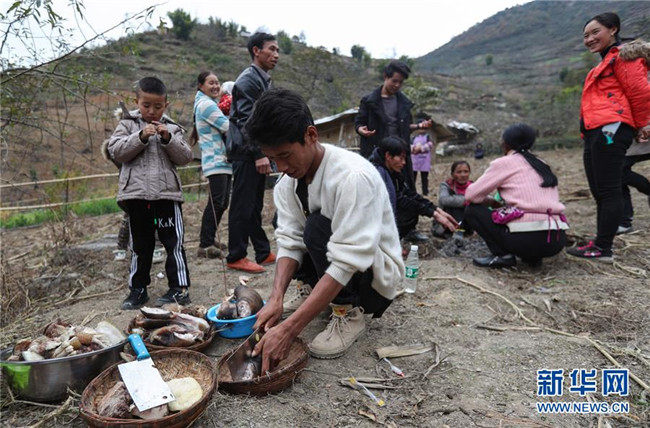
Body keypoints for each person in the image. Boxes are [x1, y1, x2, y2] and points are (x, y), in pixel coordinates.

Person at [246, 88, 404, 366]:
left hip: (373, 281)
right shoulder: (287, 182)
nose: (281, 166)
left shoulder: (352, 177)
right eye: (273, 159)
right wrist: (275, 298)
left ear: (311, 135)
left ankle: (347, 311)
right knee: (286, 218)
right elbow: (289, 239)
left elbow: (347, 259)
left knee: (317, 226)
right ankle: (311, 288)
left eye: (285, 155)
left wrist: (290, 328)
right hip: (336, 263)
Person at [567, 13, 650, 262]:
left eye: (595, 32)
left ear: (613, 29)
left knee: (609, 190)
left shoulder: (624, 56)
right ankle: (600, 242)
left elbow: (640, 91)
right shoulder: (605, 62)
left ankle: (603, 248)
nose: (589, 39)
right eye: (586, 36)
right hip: (595, 129)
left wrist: (644, 124)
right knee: (600, 190)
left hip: (610, 128)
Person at [108, 76, 193, 309]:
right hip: (136, 197)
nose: (152, 111)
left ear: (166, 105)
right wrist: (140, 137)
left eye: (158, 106)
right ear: (137, 102)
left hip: (167, 197)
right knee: (140, 246)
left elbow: (185, 156)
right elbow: (116, 151)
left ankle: (179, 289)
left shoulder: (172, 128)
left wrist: (168, 138)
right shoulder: (127, 125)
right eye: (146, 105)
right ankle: (137, 290)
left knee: (173, 242)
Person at [464, 124, 569, 269]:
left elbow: (471, 195)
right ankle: (533, 258)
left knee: (473, 210)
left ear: (505, 144)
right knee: (525, 216)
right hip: (556, 240)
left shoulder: (504, 163)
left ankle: (503, 256)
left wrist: (492, 202)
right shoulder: (542, 164)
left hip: (524, 239)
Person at [226, 32, 279, 274]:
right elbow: (245, 120)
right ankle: (236, 255)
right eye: (271, 49)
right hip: (245, 151)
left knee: (254, 204)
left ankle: (262, 251)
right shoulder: (248, 80)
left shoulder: (263, 80)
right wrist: (258, 153)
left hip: (255, 150)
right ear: (256, 51)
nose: (276, 55)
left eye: (277, 50)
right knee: (242, 205)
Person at [355, 60, 432, 189]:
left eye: (400, 82)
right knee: (376, 189)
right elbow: (359, 122)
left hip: (398, 156)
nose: (397, 85)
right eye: (394, 81)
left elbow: (404, 127)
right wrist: (360, 130)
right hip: (377, 154)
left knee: (402, 190)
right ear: (386, 76)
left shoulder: (404, 103)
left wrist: (419, 126)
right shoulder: (369, 101)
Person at [369, 136, 458, 242]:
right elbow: (399, 199)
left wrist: (435, 210)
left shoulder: (393, 171)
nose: (404, 163)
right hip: (373, 219)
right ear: (388, 156)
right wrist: (433, 214)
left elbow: (407, 193)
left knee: (413, 208)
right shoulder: (377, 173)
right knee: (408, 210)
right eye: (401, 158)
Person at [192, 71, 231, 259]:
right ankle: (205, 244)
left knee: (222, 202)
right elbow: (228, 126)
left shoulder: (209, 103)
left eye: (217, 82)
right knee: (217, 202)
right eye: (211, 83)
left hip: (221, 160)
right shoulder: (206, 105)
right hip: (216, 160)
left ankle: (209, 238)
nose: (216, 86)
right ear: (201, 86)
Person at [618, 135, 650, 234]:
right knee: (617, 172)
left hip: (641, 135)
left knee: (618, 170)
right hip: (628, 138)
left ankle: (624, 221)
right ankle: (624, 221)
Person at [434, 160, 473, 237]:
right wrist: (468, 200)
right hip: (447, 224)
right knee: (456, 207)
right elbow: (444, 200)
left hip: (467, 223)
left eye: (466, 172)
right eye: (459, 172)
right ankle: (458, 233)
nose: (463, 175)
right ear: (452, 174)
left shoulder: (473, 186)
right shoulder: (446, 185)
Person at [411, 125, 433, 195]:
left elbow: (430, 145)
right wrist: (414, 148)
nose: (421, 130)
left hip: (424, 160)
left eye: (423, 128)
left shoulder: (427, 137)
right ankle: (412, 191)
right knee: (413, 176)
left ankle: (425, 192)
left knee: (424, 177)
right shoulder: (414, 137)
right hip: (415, 160)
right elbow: (410, 145)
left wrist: (421, 148)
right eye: (420, 128)